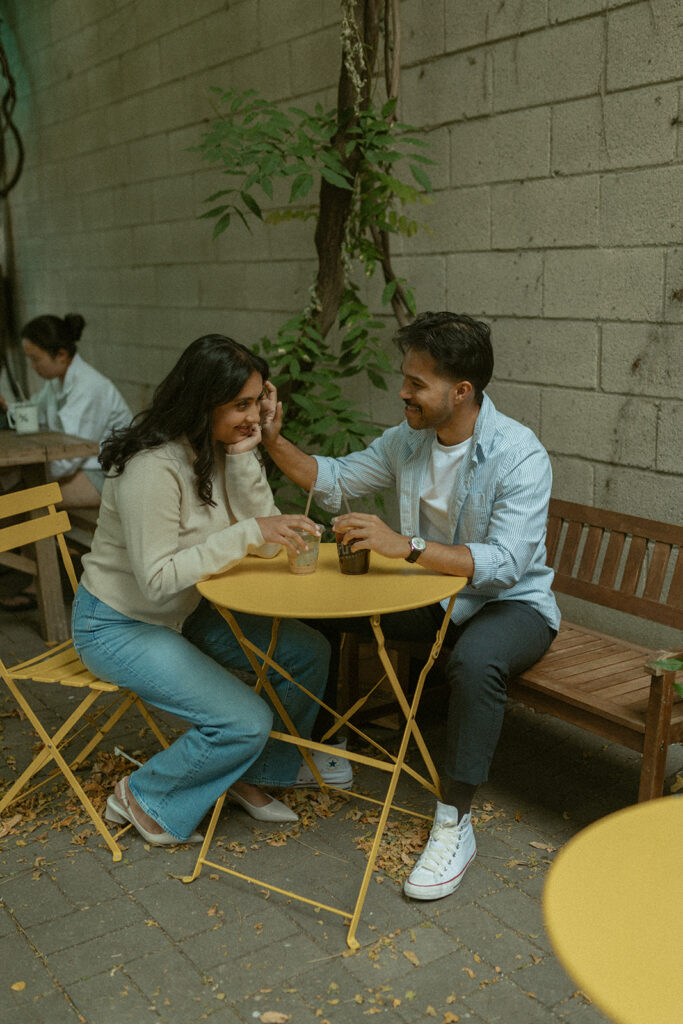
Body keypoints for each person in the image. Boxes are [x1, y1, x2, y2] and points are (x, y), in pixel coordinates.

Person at [259, 311, 560, 900]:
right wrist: (271, 439)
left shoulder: (519, 453)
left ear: (462, 391)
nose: (403, 392)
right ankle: (330, 748)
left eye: (417, 383)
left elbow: (505, 563)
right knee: (326, 609)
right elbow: (337, 477)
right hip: (429, 595)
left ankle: (455, 822)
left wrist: (410, 546)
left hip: (510, 605)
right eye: (406, 378)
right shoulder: (410, 439)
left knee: (474, 664)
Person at [71, 334, 333, 845]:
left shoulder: (214, 450)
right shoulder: (153, 467)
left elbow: (260, 537)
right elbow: (157, 578)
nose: (254, 415)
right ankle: (144, 796)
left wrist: (243, 456)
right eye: (240, 404)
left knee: (306, 654)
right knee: (244, 721)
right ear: (201, 401)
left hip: (184, 609)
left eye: (257, 401)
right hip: (118, 623)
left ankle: (251, 778)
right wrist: (250, 533)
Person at [0, 313, 133, 612]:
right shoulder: (59, 381)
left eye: (36, 359)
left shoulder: (89, 387)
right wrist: (12, 408)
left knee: (31, 497)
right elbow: (37, 413)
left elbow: (67, 459)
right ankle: (21, 561)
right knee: (21, 490)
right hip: (85, 467)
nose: (33, 367)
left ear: (60, 354)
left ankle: (41, 586)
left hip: (110, 475)